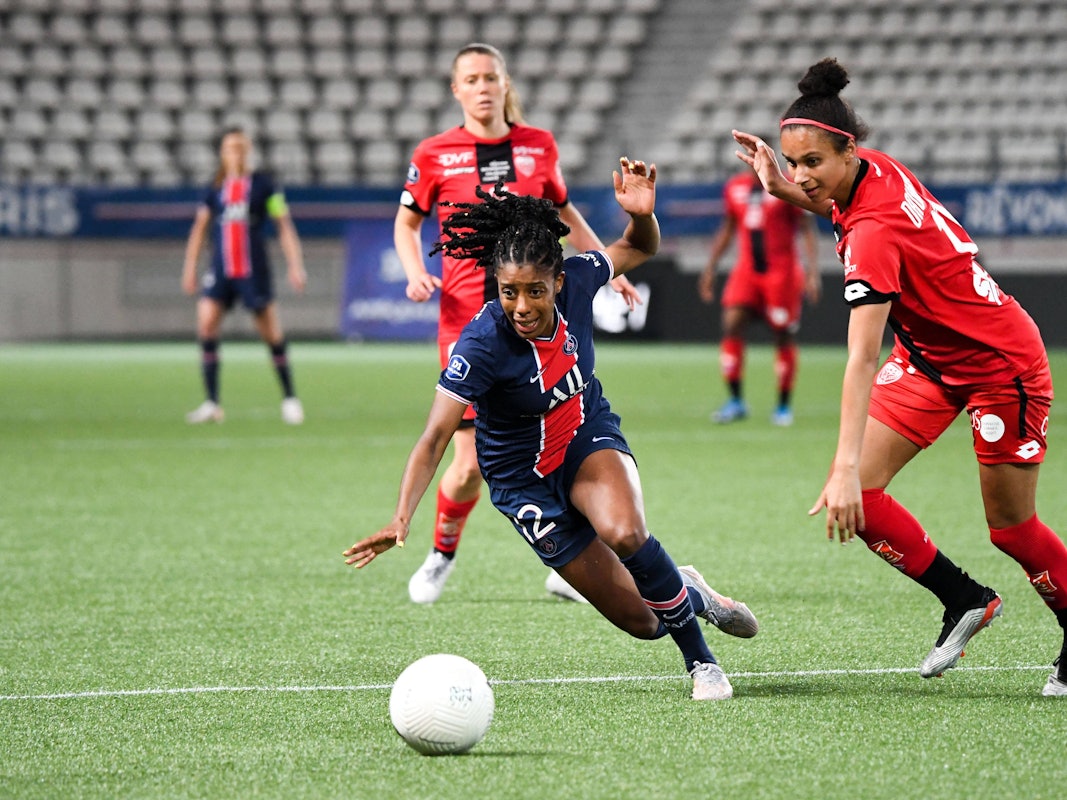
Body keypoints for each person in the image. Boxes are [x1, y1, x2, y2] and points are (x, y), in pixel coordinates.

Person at [344, 160, 759, 700]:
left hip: (585, 436)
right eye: (508, 291)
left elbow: (640, 247)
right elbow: (434, 438)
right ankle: (693, 592)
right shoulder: (480, 344)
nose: (521, 306)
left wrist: (643, 216)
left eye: (535, 291)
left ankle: (702, 664)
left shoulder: (582, 278)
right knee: (644, 621)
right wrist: (401, 519)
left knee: (626, 533)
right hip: (522, 482)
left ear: (558, 281)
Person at [733, 58, 1067, 695]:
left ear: (847, 150)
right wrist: (775, 182)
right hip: (932, 359)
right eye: (792, 161)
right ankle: (966, 599)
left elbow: (860, 357)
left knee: (1010, 527)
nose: (803, 176)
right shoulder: (869, 171)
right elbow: (824, 196)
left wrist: (842, 465)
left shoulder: (874, 233)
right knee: (866, 500)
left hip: (1001, 366)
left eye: (811, 164)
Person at [394, 42, 640, 604]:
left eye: (491, 77)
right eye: (471, 79)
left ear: (505, 84)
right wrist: (414, 273)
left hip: (542, 320)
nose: (482, 87)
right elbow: (406, 225)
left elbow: (563, 212)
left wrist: (608, 266)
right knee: (468, 465)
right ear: (456, 90)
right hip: (469, 327)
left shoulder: (538, 146)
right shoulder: (435, 153)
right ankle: (442, 552)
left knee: (561, 435)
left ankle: (569, 562)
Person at [181, 126, 307, 425]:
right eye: (230, 147)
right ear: (222, 153)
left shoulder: (263, 185)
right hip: (221, 269)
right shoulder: (214, 189)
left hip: (253, 270)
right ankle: (212, 402)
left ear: (248, 150)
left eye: (240, 146)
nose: (235, 152)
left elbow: (284, 226)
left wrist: (295, 264)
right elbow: (199, 230)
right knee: (207, 326)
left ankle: (290, 398)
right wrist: (190, 266)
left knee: (271, 334)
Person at [697, 159, 820, 426]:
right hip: (747, 271)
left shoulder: (786, 186)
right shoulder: (735, 188)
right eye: (749, 159)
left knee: (783, 334)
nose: (753, 164)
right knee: (731, 324)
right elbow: (728, 228)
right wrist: (710, 267)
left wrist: (812, 272)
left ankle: (783, 406)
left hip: (782, 273)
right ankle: (736, 401)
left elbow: (807, 229)